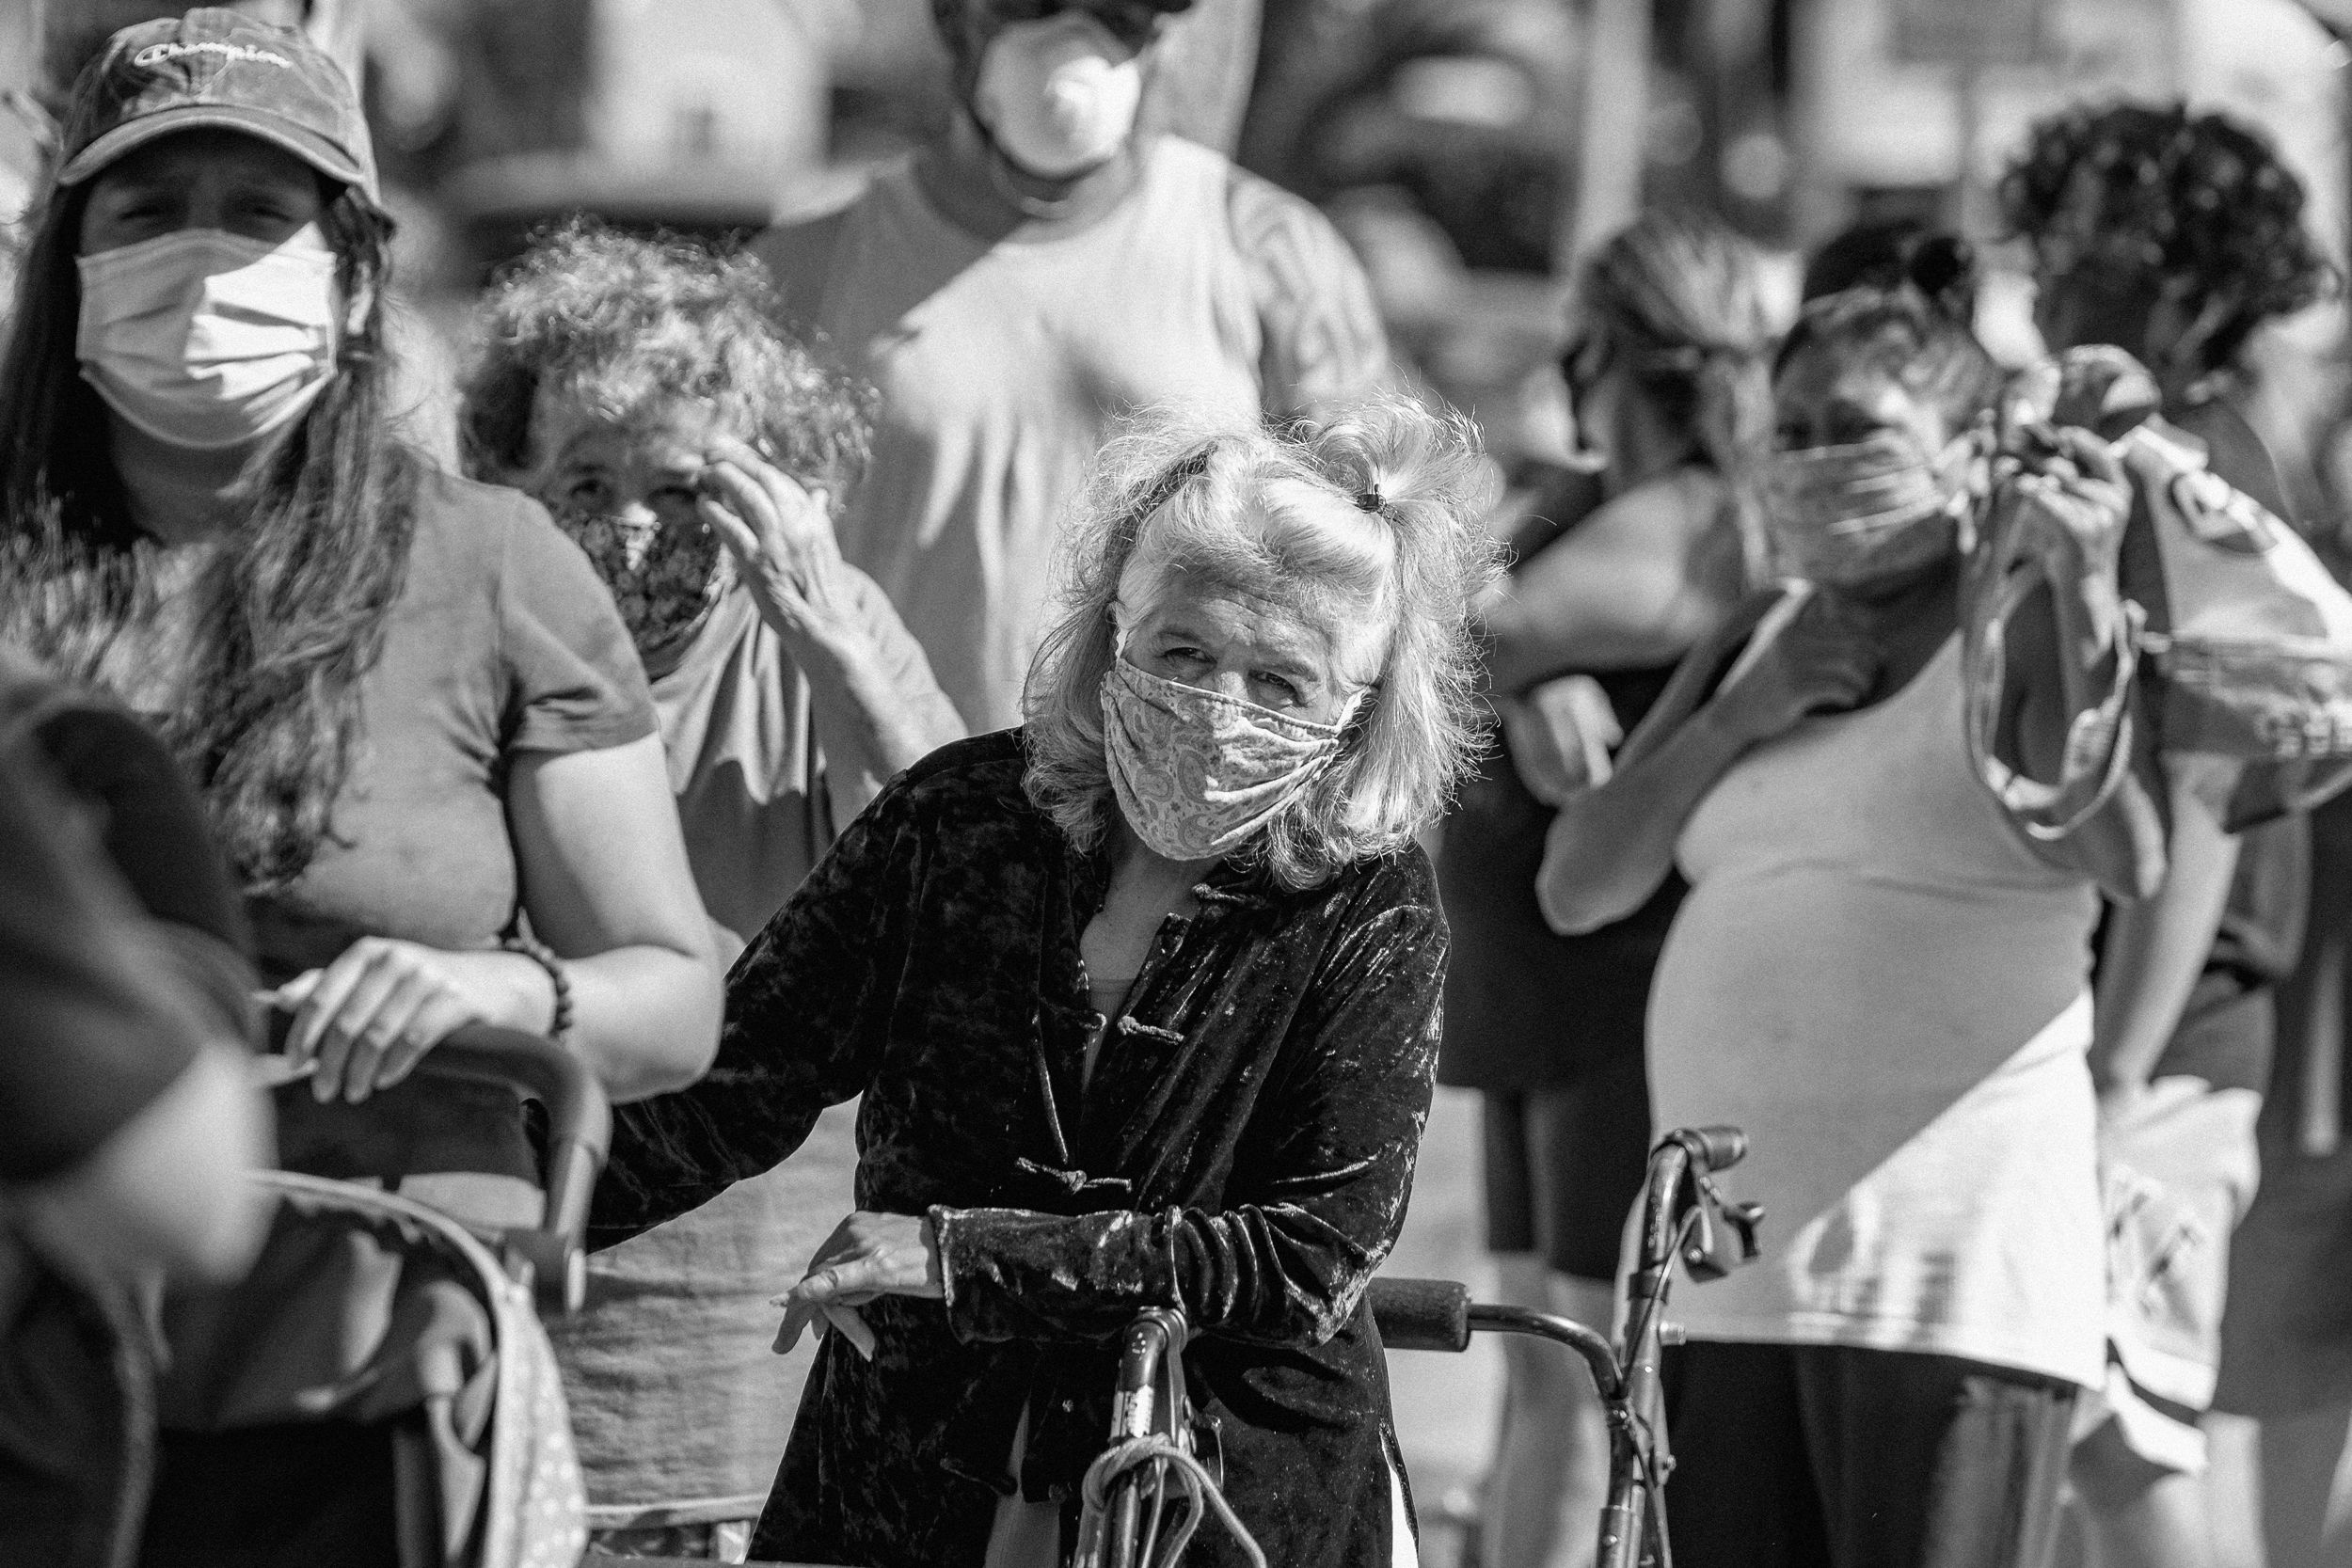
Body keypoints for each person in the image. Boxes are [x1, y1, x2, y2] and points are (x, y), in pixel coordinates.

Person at [0, 10, 723, 1551]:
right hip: (40, 1376)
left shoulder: (499, 567)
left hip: (380, 1372)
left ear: (348, 276)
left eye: (256, 211)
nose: (200, 257)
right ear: (70, 263)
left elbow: (673, 997)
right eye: (145, 211)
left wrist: (490, 997)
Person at [592, 397, 1497, 1568]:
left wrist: (964, 1254)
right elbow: (728, 1082)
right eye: (1184, 650)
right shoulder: (961, 818)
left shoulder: (1367, 906)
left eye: (1283, 681)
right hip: (908, 1473)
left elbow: (1307, 1252)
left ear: (1361, 710)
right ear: (1110, 635)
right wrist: (507, 1194)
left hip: (1216, 1499)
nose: (1222, 705)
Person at [1537, 276, 2242, 1567]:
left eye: (1852, 427)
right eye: (1789, 427)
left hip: (1945, 1291)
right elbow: (1580, 880)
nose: (1809, 459)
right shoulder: (1766, 627)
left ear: (1970, 450)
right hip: (1723, 1283)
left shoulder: (2017, 621)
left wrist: (2083, 603)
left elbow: (2126, 854)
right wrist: (1739, 717)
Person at [459, 223, 965, 1560]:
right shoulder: (464, 628)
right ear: (503, 476)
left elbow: (989, 891)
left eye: (685, 488)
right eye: (586, 476)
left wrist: (835, 641)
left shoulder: (820, 633)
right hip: (506, 1316)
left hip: (755, 1366)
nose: (632, 527)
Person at [2000, 103, 2337, 1568]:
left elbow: (2198, 796)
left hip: (2168, 1037)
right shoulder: (2167, 446)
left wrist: (2119, 1081)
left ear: (2201, 280)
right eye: (2058, 234)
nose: (2069, 271)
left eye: (2112, 247)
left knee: (2122, 1450)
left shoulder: (2185, 467)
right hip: (2148, 1028)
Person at [756, 0, 1392, 732]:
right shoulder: (811, 270)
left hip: (1161, 804)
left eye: (1118, 12)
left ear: (1163, 34)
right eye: (1031, 3)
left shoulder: (1271, 254)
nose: (1074, 38)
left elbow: (1366, 563)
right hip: (895, 792)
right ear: (954, 22)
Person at [1436, 209, 1774, 1568]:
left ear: (1607, 352)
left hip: (1613, 996)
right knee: (1541, 1363)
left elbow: (1462, 631)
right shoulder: (1591, 501)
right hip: (1536, 989)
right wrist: (1539, 682)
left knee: (1584, 1374)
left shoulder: (1699, 515)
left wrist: (1529, 673)